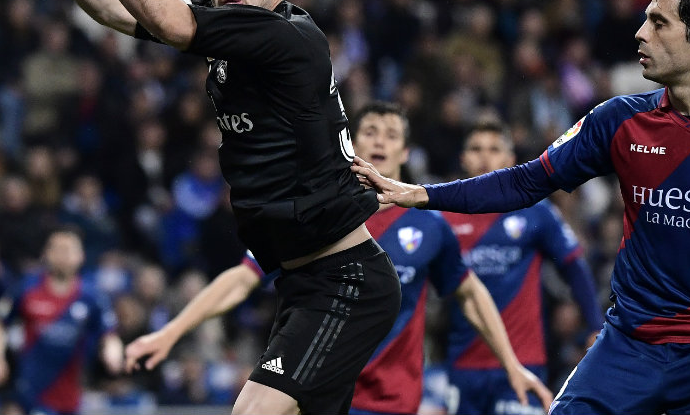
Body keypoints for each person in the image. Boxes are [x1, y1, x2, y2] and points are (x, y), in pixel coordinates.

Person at [354, 0, 690, 415]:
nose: (640, 33)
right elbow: (526, 180)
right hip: (630, 342)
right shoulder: (619, 121)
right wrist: (420, 194)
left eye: (659, 23)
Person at [32, 0, 401, 415]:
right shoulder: (230, 24)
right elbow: (116, 8)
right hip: (301, 284)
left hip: (344, 283)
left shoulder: (286, 37)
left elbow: (175, 25)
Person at [122, 101, 553, 414]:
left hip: (392, 403)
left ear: (404, 153)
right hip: (320, 393)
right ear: (350, 142)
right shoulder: (318, 213)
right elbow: (240, 279)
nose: (379, 141)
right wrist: (169, 333)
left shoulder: (429, 226)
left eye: (391, 135)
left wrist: (512, 365)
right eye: (370, 132)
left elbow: (471, 295)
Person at [437, 119, 603, 415]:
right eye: (476, 149)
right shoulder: (444, 219)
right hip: (464, 363)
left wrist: (594, 325)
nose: (485, 157)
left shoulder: (536, 211)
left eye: (494, 149)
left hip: (524, 359)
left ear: (510, 160)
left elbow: (574, 267)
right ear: (463, 159)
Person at [0, 228, 122, 415]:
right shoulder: (26, 288)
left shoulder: (92, 296)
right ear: (46, 254)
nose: (63, 256)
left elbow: (109, 334)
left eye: (69, 250)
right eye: (58, 249)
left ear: (80, 256)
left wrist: (113, 354)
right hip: (31, 392)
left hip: (71, 395)